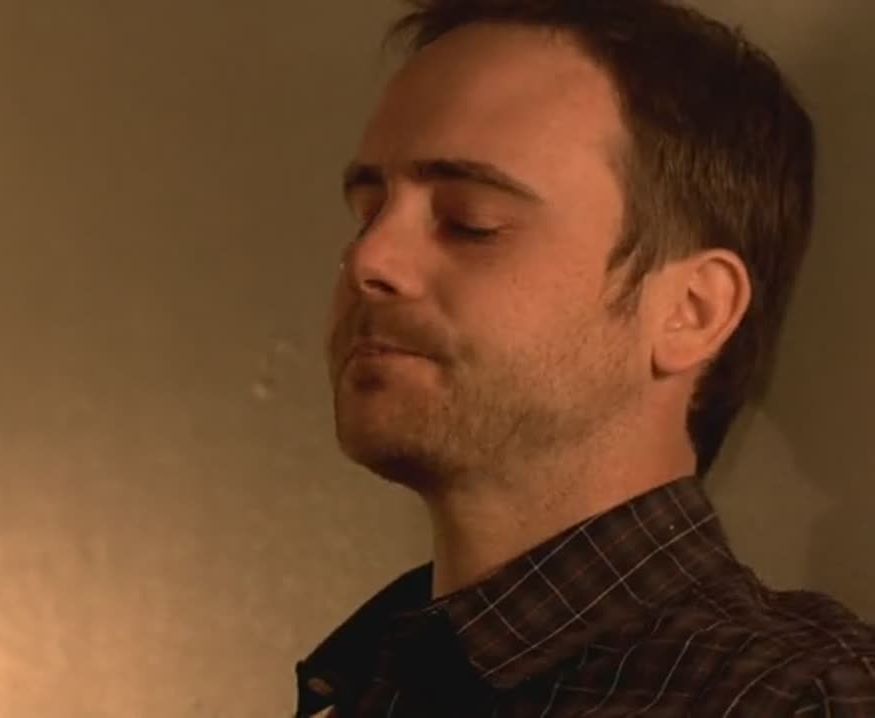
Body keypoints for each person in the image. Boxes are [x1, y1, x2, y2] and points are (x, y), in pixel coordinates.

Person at [294, 0, 875, 715]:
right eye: (367, 215)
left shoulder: (791, 700)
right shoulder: (370, 680)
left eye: (472, 223)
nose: (369, 260)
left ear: (691, 310)